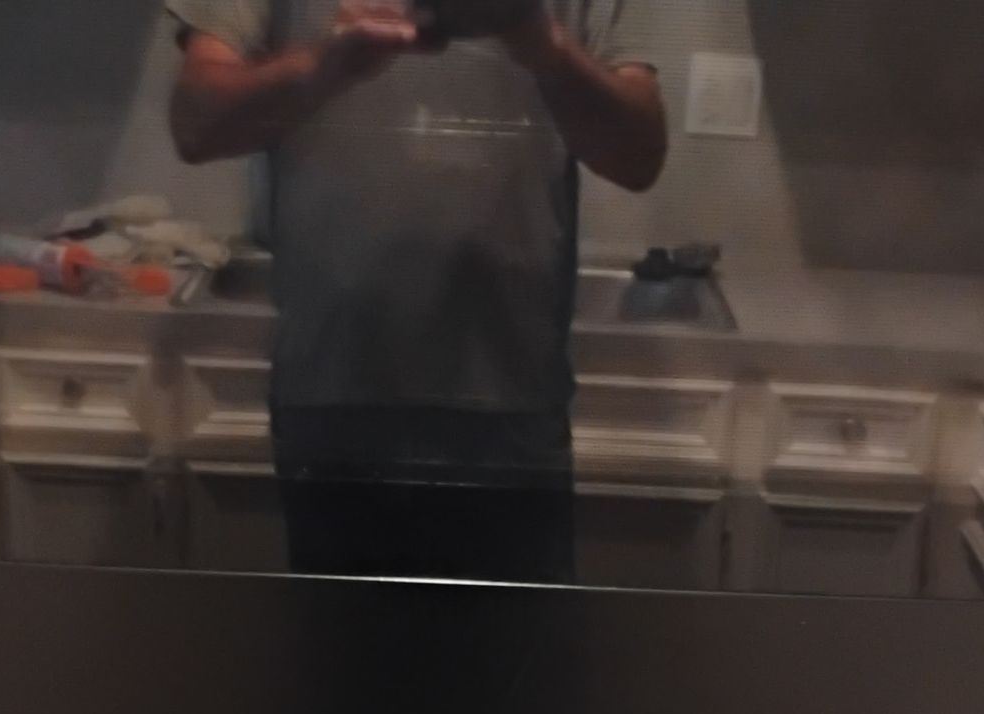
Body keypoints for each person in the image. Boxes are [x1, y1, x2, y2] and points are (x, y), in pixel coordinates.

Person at [169, 1, 667, 581]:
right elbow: (196, 123)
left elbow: (639, 158)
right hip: (335, 393)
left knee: (517, 639)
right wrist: (324, 63)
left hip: (507, 400)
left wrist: (547, 50)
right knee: (333, 640)